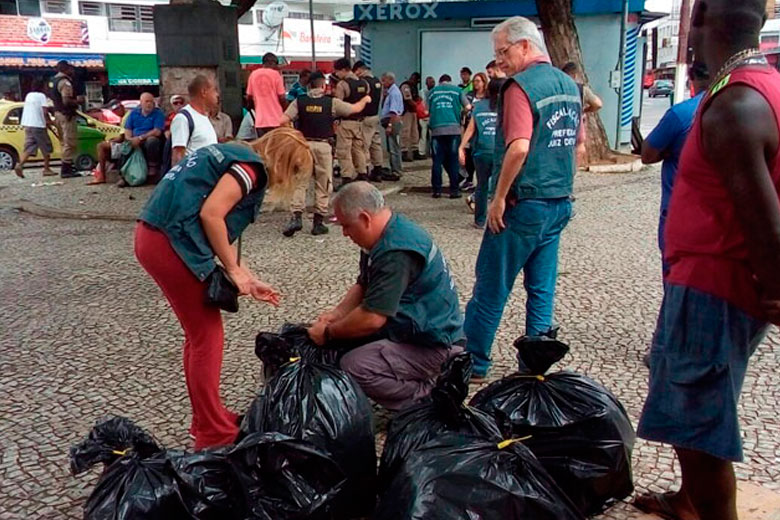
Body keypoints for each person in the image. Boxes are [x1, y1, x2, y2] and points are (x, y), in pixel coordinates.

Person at [635, 1, 780, 519]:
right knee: (692, 413)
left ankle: (708, 508)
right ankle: (688, 500)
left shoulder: (735, 103)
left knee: (698, 427)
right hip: (705, 284)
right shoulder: (750, 87)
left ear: (697, 25)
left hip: (713, 291)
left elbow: (766, 222)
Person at [135, 128, 312, 449]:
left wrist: (246, 276)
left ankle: (207, 418)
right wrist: (232, 269)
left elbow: (210, 222)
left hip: (156, 236)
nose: (293, 179)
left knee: (198, 335)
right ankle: (212, 432)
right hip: (170, 242)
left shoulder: (236, 153)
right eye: (296, 170)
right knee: (207, 337)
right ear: (285, 162)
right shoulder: (251, 169)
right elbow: (212, 214)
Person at [463, 17, 584, 381]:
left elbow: (518, 147)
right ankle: (534, 367)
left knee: (491, 285)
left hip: (523, 203)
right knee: (541, 289)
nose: (499, 60)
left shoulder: (519, 87)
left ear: (526, 46)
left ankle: (474, 363)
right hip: (558, 200)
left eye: (503, 51)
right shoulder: (569, 84)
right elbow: (577, 146)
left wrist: (498, 197)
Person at [307, 182, 464, 411]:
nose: (344, 233)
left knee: (355, 365)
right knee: (346, 337)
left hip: (436, 345)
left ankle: (427, 399)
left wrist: (329, 333)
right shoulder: (384, 233)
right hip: (416, 329)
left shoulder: (395, 251)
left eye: (347, 226)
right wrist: (336, 315)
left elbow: (372, 318)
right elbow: (363, 284)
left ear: (364, 218)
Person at [279, 71, 371, 237]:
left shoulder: (300, 101)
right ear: (323, 85)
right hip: (323, 146)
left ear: (309, 85)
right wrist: (365, 99)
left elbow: (283, 120)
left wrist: (295, 136)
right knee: (323, 183)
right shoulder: (331, 103)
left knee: (300, 182)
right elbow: (354, 109)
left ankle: (296, 217)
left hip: (304, 145)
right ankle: (318, 222)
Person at [642, 62, 710, 276]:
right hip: (718, 217)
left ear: (692, 81)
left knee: (675, 279)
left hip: (679, 214)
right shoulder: (734, 108)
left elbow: (648, 154)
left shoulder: (681, 114)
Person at [460, 78, 503, 229]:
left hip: (481, 152)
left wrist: (461, 147)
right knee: (499, 184)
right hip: (499, 152)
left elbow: (471, 129)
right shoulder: (507, 106)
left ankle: (480, 220)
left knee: (482, 185)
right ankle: (499, 217)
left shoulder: (478, 106)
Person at [427, 74, 471, 199]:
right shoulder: (457, 90)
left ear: (440, 82)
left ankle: (436, 191)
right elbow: (468, 106)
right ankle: (454, 191)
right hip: (453, 129)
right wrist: (461, 113)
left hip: (437, 129)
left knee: (437, 162)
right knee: (453, 161)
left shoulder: (432, 92)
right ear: (449, 82)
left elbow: (426, 111)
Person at [333, 58, 369, 187]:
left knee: (344, 151)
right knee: (358, 149)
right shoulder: (364, 83)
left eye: (337, 71)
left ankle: (346, 177)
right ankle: (362, 173)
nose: (336, 74)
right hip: (360, 122)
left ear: (343, 70)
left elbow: (337, 105)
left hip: (346, 121)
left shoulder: (343, 85)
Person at [171, 75, 219, 166]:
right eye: (214, 90)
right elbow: (178, 156)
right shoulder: (183, 118)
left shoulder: (204, 117)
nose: (217, 94)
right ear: (204, 92)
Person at [354, 61, 388, 182]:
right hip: (375, 116)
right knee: (376, 144)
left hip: (366, 117)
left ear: (360, 69)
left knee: (364, 145)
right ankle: (378, 170)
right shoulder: (377, 81)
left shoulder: (364, 82)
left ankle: (365, 171)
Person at [14, 79, 55, 178]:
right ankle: (46, 168)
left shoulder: (29, 95)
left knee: (29, 147)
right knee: (46, 146)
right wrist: (49, 121)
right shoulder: (41, 96)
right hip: (38, 124)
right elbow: (44, 111)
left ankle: (20, 164)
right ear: (42, 87)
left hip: (28, 123)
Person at [121, 92, 165, 184]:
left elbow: (157, 131)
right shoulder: (133, 113)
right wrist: (130, 140)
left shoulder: (158, 114)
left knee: (152, 141)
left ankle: (152, 167)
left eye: (151, 102)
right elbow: (128, 130)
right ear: (141, 103)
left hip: (147, 138)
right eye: (147, 101)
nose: (149, 104)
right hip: (134, 139)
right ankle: (123, 175)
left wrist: (140, 138)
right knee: (125, 146)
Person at [49, 60, 79, 179]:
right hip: (66, 115)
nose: (72, 71)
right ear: (66, 69)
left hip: (57, 113)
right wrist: (78, 102)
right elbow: (66, 100)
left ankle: (68, 166)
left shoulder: (53, 81)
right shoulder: (65, 82)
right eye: (70, 69)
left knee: (63, 142)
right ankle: (66, 169)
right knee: (70, 142)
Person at [89, 101, 131, 185]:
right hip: (126, 142)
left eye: (116, 110)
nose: (115, 113)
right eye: (113, 112)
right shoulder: (125, 116)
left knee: (101, 146)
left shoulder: (127, 117)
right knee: (104, 146)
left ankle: (102, 176)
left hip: (127, 144)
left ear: (121, 107)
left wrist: (111, 141)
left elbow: (122, 138)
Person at [246, 53, 287, 137]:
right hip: (276, 120)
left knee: (263, 147)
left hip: (260, 121)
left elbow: (249, 97)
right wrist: (285, 110)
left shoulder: (253, 74)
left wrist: (253, 108)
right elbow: (282, 97)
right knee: (275, 147)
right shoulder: (276, 75)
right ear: (273, 63)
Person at [460, 72, 488, 192]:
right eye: (474, 81)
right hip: (469, 125)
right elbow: (463, 109)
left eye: (478, 81)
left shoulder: (488, 96)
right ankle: (469, 179)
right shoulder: (470, 95)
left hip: (483, 128)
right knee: (469, 153)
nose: (476, 84)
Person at [380, 72, 403, 181]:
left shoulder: (394, 93)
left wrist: (390, 125)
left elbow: (393, 111)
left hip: (393, 121)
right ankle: (395, 168)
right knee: (392, 147)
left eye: (384, 80)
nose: (382, 83)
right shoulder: (390, 92)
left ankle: (396, 171)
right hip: (390, 120)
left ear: (390, 80)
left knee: (393, 147)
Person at [400, 73, 422, 162]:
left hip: (413, 111)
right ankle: (404, 151)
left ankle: (415, 150)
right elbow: (408, 99)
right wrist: (417, 106)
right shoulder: (405, 86)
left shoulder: (413, 86)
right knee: (406, 131)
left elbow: (416, 97)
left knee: (414, 132)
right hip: (406, 112)